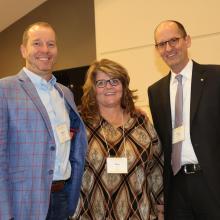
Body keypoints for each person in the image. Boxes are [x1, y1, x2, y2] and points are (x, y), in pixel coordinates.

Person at [0, 22, 88, 220]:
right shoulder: (4, 90)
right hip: (22, 203)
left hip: (62, 197)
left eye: (51, 44)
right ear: (23, 50)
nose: (45, 50)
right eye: (37, 43)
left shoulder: (65, 93)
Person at [71, 59, 164, 220]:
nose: (108, 87)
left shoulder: (140, 121)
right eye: (101, 83)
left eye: (114, 81)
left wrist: (161, 203)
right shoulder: (80, 123)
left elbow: (156, 164)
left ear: (123, 85)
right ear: (93, 89)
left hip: (138, 212)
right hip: (92, 213)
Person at [148, 20, 220, 220]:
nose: (168, 48)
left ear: (187, 41)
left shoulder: (216, 77)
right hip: (176, 186)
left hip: (212, 182)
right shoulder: (156, 91)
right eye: (161, 44)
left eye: (173, 40)